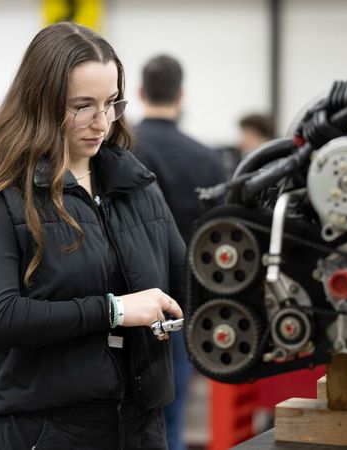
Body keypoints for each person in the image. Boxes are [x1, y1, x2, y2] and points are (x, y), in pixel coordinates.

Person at [0, 22, 185, 449]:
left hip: (138, 425)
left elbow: (185, 280)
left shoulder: (134, 185)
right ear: (41, 104)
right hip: (43, 430)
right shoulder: (3, 197)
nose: (101, 123)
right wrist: (114, 311)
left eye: (111, 104)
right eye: (82, 106)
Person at [133, 54, 226, 450]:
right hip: (184, 302)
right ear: (181, 95)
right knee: (172, 414)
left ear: (140, 92)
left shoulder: (119, 152)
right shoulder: (207, 158)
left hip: (127, 304)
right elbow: (220, 235)